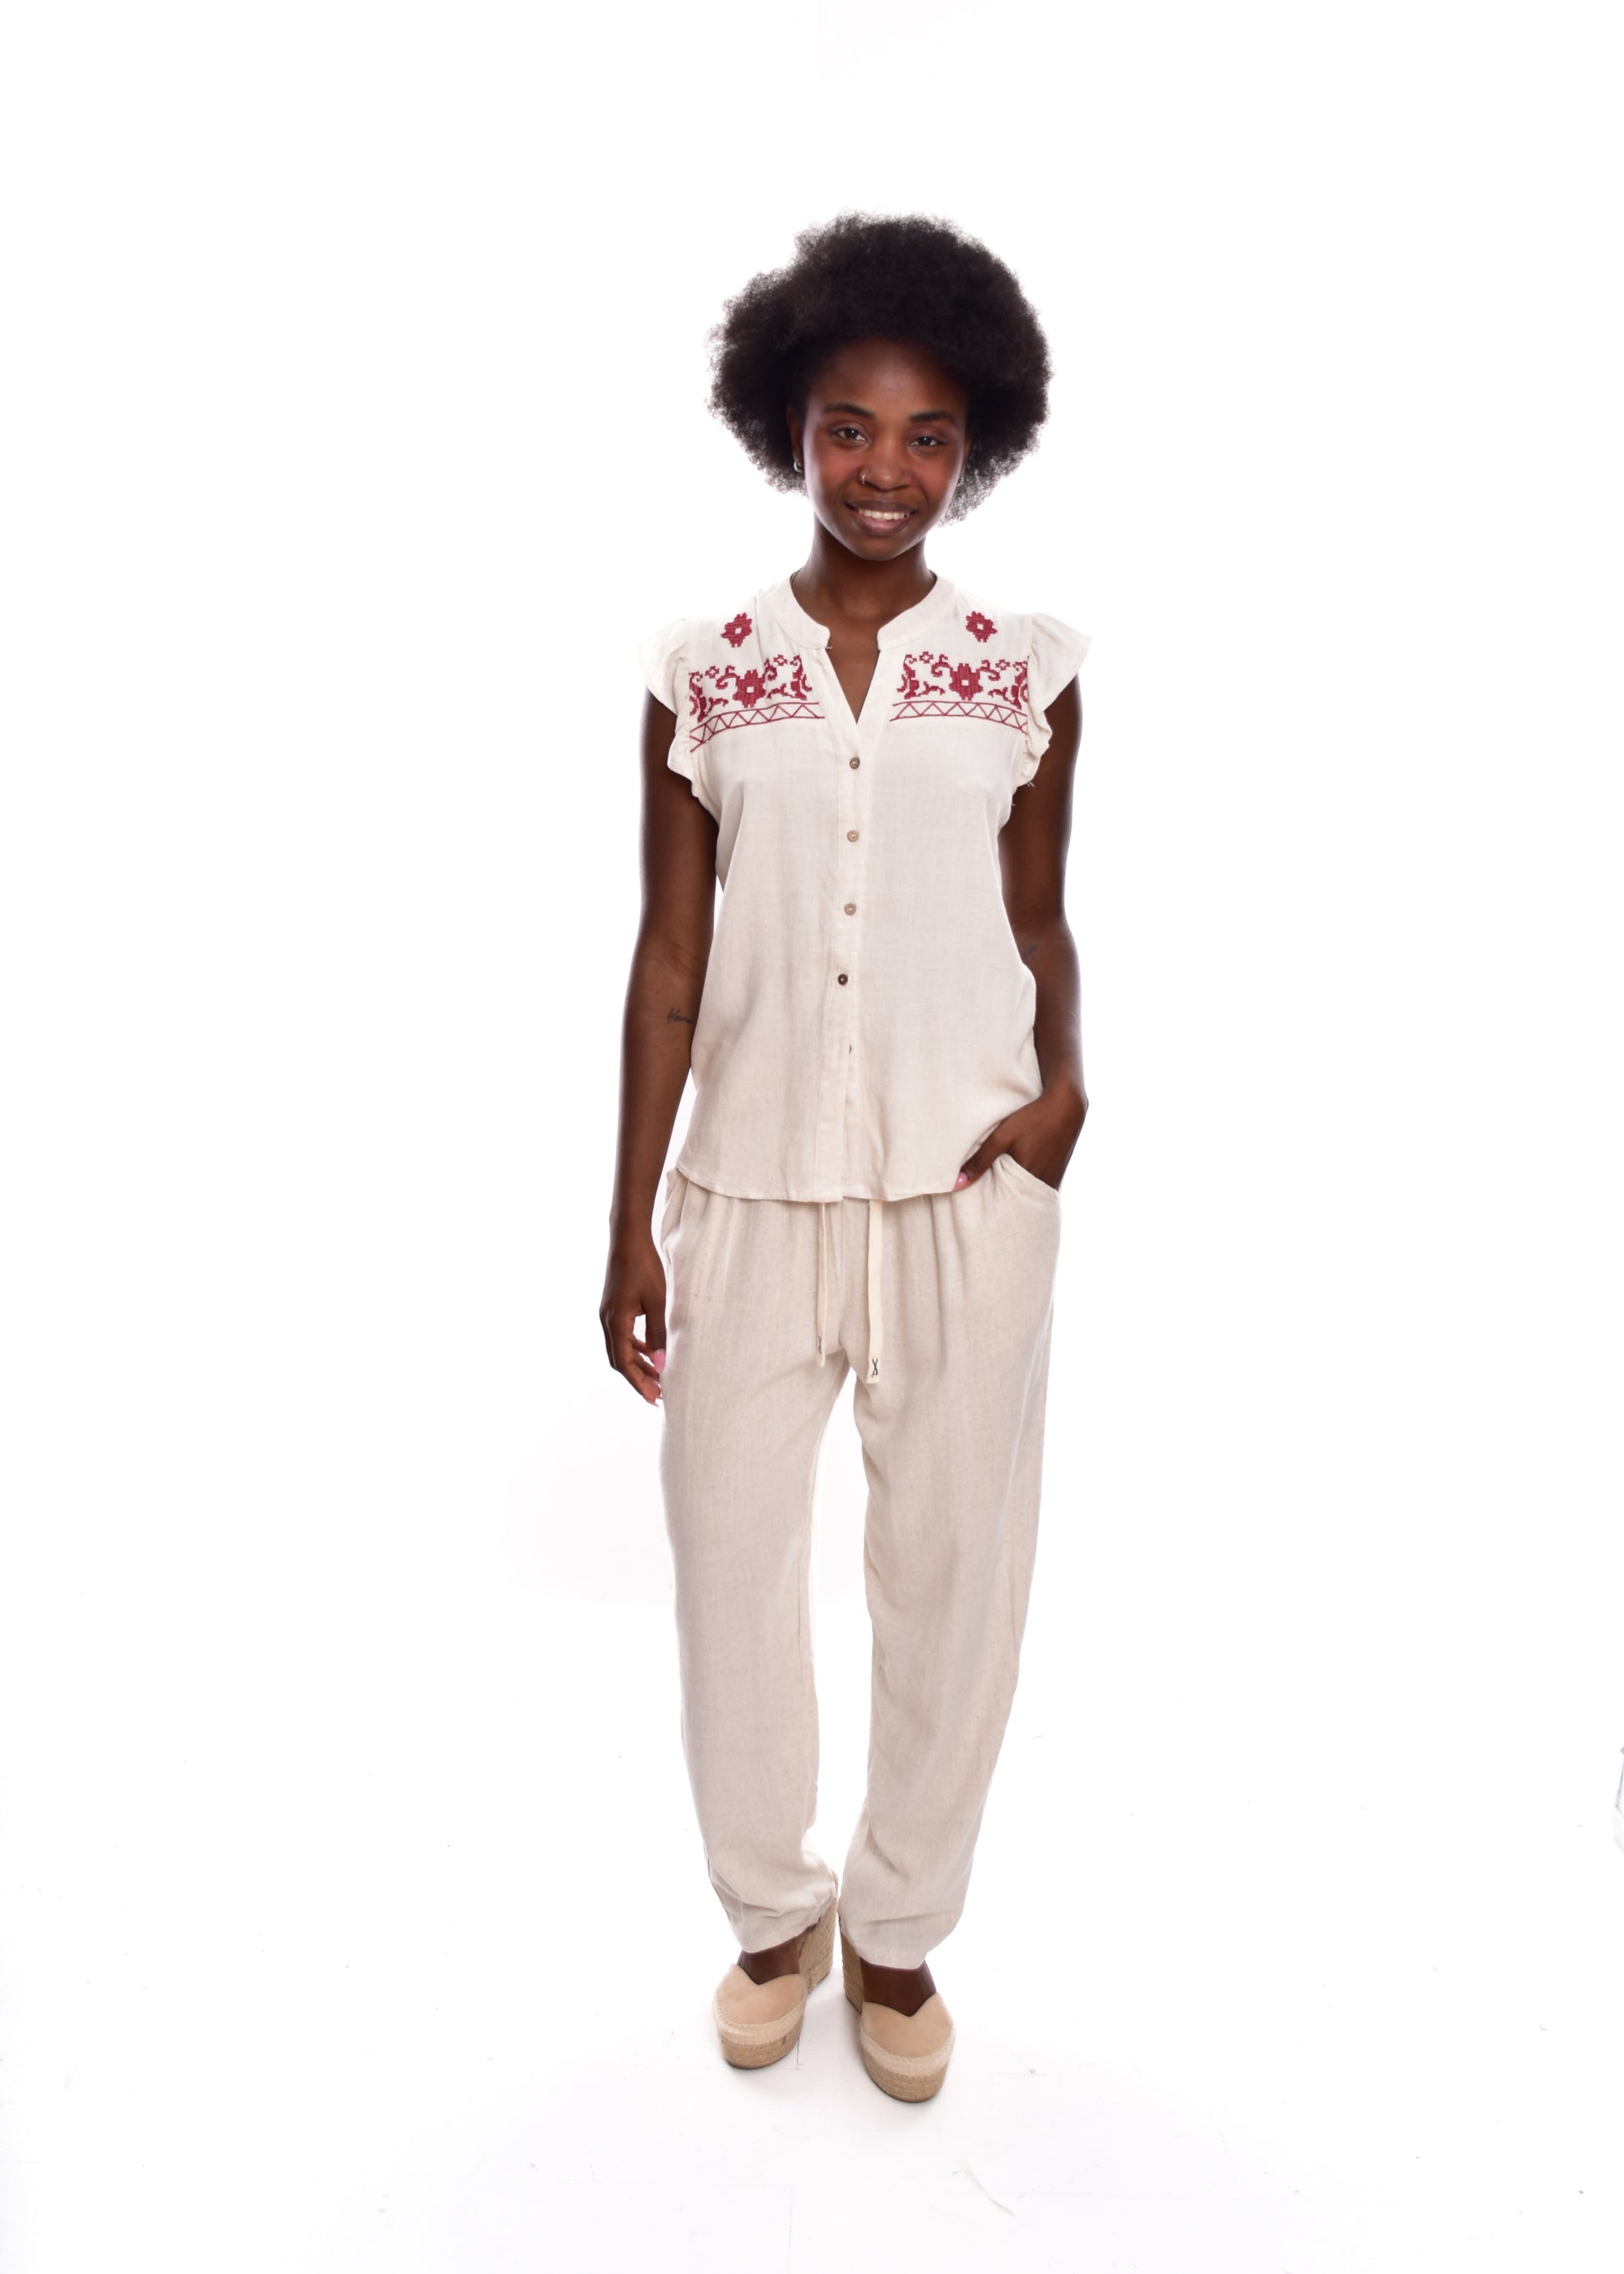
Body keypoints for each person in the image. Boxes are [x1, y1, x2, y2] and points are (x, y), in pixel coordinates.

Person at [599, 211, 1092, 2102]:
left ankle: (895, 1936)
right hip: (745, 1191)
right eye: (848, 428)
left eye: (927, 436)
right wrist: (629, 1219)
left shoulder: (1024, 671)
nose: (885, 468)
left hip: (968, 1182)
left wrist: (1063, 1102)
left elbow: (1041, 919)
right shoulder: (705, 672)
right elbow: (667, 954)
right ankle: (767, 1917)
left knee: (953, 1575)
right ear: (785, 428)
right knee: (727, 1567)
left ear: (976, 448)